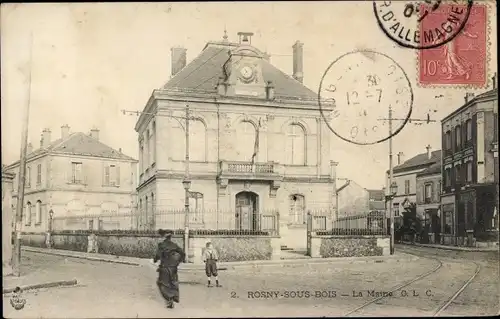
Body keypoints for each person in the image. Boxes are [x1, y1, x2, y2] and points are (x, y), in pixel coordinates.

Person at [153, 229, 185, 309]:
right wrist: (178, 261)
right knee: (173, 282)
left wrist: (155, 259)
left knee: (162, 283)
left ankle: (169, 299)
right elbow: (183, 253)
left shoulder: (161, 245)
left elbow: (158, 255)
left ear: (163, 236)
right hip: (173, 267)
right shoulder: (174, 245)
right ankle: (174, 296)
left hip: (165, 267)